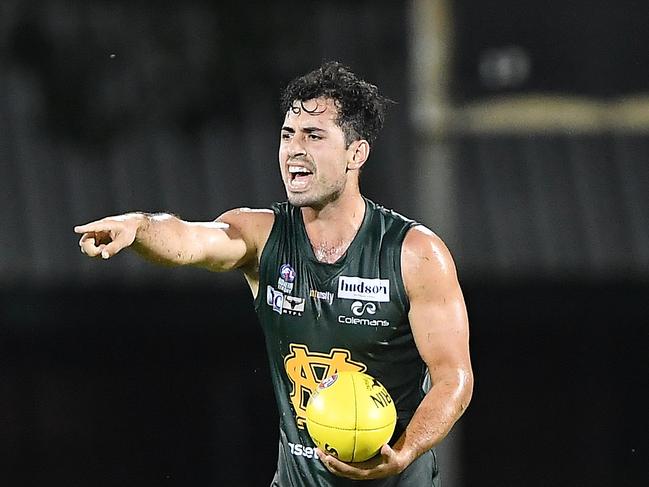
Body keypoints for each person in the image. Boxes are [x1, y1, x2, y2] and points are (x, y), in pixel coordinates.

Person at [74, 61, 473, 486]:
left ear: (356, 153)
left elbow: (454, 378)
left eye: (314, 136)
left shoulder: (414, 253)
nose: (294, 149)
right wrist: (137, 226)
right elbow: (190, 241)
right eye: (288, 135)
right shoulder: (263, 235)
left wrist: (406, 450)